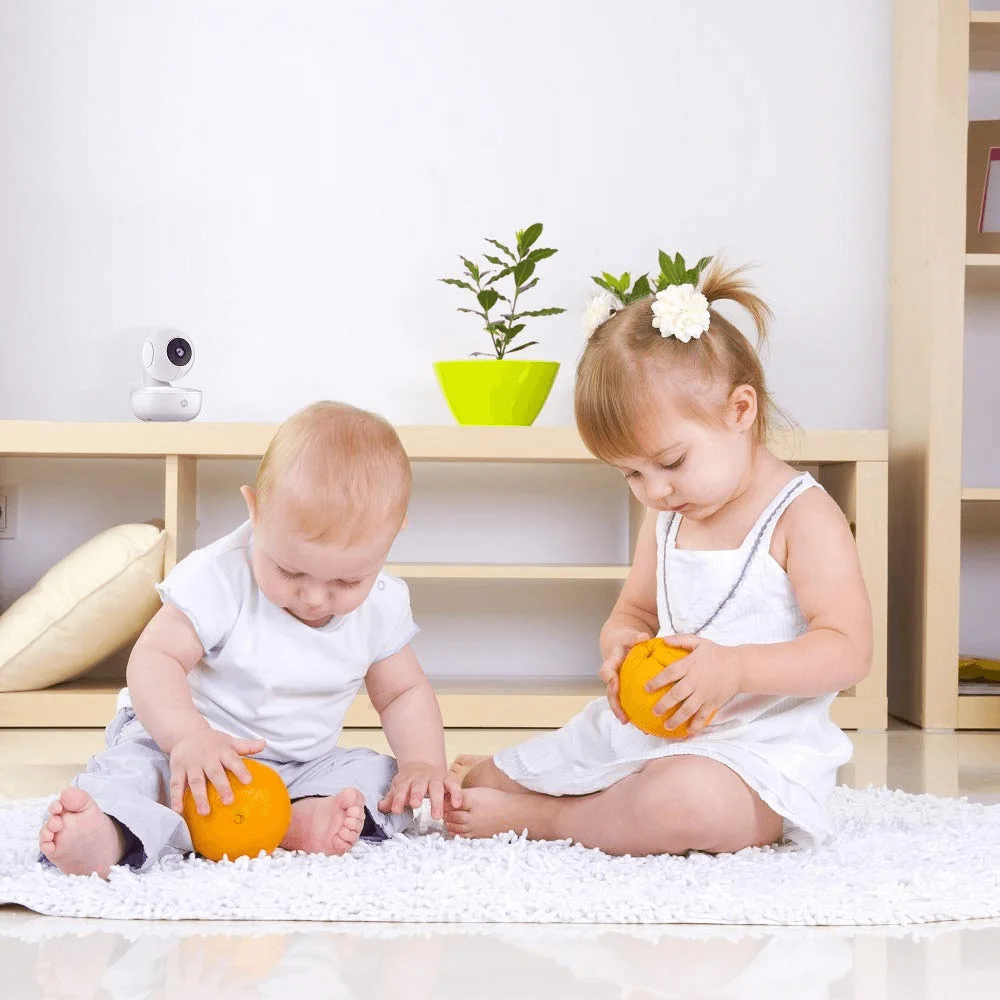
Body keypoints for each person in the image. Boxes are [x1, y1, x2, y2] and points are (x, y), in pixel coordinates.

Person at [445, 257, 870, 855]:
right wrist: (620, 646)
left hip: (758, 754)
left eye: (670, 463)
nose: (655, 490)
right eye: (631, 474)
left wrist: (736, 670)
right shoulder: (668, 515)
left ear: (740, 411)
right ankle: (574, 797)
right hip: (657, 729)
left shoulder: (802, 516)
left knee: (685, 803)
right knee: (487, 780)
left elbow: (848, 651)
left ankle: (549, 819)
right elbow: (636, 612)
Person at [39, 401, 460, 877]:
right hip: (179, 745)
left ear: (392, 538)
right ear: (255, 510)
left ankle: (288, 819)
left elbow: (402, 693)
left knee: (384, 779)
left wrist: (422, 762)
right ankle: (110, 833)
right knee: (135, 774)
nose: (314, 598)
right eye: (290, 571)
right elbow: (155, 658)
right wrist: (188, 736)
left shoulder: (382, 603)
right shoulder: (220, 575)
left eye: (347, 582)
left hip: (299, 767)